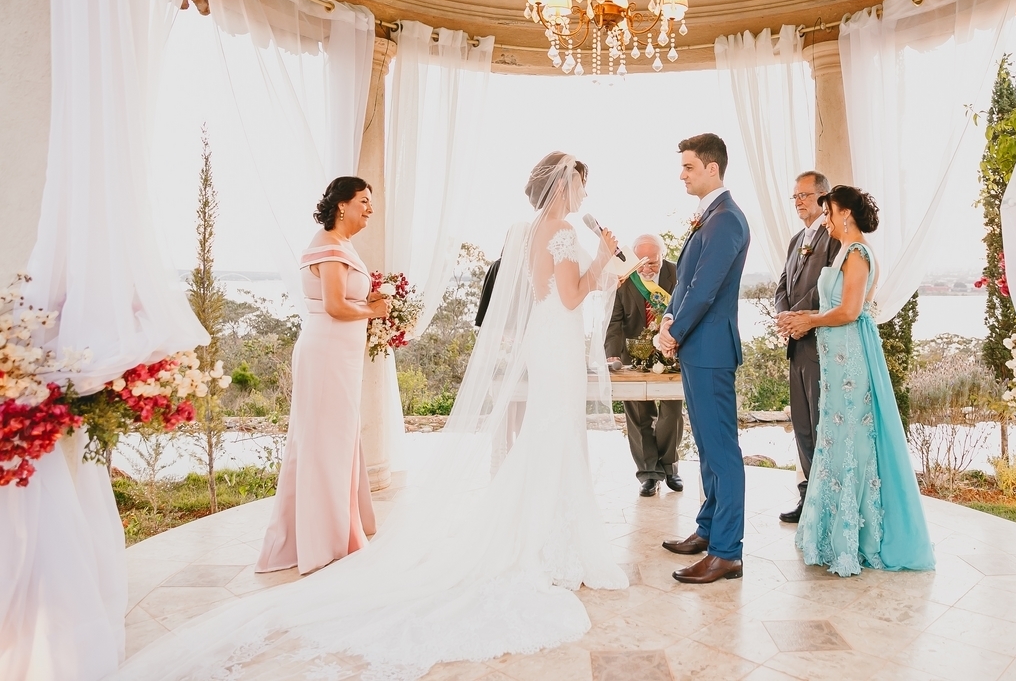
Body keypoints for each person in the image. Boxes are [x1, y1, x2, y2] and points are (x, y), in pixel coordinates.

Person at [110, 154, 628, 680]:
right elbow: (567, 295)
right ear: (564, 187)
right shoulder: (562, 228)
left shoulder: (526, 228)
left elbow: (539, 294)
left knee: (546, 439)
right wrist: (604, 260)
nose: (584, 195)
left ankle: (539, 532)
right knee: (555, 438)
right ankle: (550, 542)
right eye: (581, 185)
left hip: (545, 343)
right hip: (557, 340)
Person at [781, 185, 935, 577]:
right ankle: (833, 530)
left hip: (849, 360)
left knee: (849, 441)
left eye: (829, 212)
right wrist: (805, 322)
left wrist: (810, 320)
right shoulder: (847, 252)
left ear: (845, 213)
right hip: (835, 359)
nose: (827, 220)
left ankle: (855, 537)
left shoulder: (858, 254)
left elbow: (850, 310)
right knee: (834, 438)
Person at [256, 177, 387, 576]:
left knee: (338, 437)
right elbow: (334, 305)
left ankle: (339, 527)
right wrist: (374, 312)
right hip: (328, 351)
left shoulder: (341, 246)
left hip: (339, 353)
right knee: (323, 441)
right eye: (363, 201)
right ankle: (321, 538)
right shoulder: (329, 245)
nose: (369, 208)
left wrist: (373, 304)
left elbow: (349, 299)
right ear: (342, 205)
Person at [655, 133, 750, 585]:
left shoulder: (727, 219)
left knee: (722, 452)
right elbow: (685, 283)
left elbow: (706, 290)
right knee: (708, 451)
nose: (682, 174)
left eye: (689, 167)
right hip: (698, 349)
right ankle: (708, 529)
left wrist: (672, 331)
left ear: (713, 168)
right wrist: (669, 317)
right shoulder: (709, 217)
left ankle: (727, 552)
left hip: (711, 350)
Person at [774, 171, 840, 523]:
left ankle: (826, 501)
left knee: (821, 423)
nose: (798, 201)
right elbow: (781, 284)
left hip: (820, 343)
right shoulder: (796, 238)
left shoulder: (834, 238)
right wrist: (785, 316)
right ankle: (807, 500)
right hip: (795, 346)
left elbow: (829, 286)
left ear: (823, 196)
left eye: (804, 195)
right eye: (795, 196)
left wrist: (801, 317)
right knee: (801, 425)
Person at [605, 234, 684, 497]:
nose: (648, 269)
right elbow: (614, 321)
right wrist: (612, 355)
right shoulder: (625, 277)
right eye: (643, 263)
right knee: (639, 415)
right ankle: (649, 473)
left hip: (671, 352)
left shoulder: (677, 273)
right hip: (634, 353)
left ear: (663, 256)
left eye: (654, 263)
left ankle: (669, 466)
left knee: (671, 413)